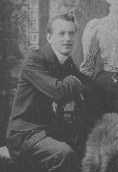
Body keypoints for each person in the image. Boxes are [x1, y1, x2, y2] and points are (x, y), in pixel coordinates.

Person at [6, 14, 99, 172]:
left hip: (50, 129)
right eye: (61, 34)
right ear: (49, 37)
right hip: (26, 134)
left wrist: (75, 82)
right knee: (64, 154)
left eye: (71, 33)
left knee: (89, 145)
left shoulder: (66, 62)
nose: (67, 38)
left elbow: (89, 86)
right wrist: (75, 80)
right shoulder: (34, 60)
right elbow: (60, 92)